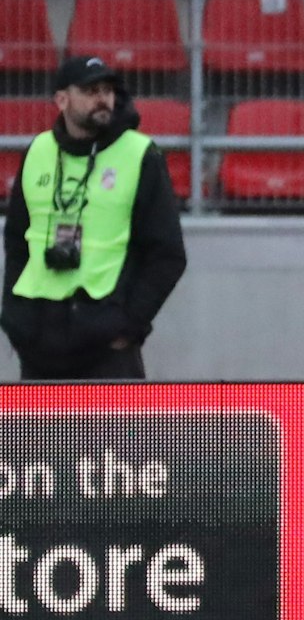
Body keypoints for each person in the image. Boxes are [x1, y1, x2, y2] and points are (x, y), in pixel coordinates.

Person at [2, 56, 186, 380]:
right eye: (90, 90)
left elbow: (168, 254)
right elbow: (17, 240)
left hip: (106, 348)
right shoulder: (38, 151)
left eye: (107, 90)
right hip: (38, 343)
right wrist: (16, 317)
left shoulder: (140, 154)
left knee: (110, 433)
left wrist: (127, 326)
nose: (103, 98)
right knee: (42, 433)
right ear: (62, 100)